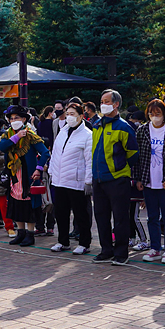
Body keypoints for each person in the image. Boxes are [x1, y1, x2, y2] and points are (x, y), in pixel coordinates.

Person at [90, 90, 139, 264]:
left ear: (116, 104)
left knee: (120, 218)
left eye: (107, 101)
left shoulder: (124, 127)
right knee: (101, 217)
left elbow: (133, 154)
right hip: (99, 179)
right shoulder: (97, 124)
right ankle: (106, 250)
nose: (103, 104)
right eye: (101, 101)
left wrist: (119, 168)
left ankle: (121, 253)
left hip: (118, 179)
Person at [133, 99, 165, 263]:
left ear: (164, 114)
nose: (154, 117)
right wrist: (138, 178)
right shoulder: (142, 131)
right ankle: (155, 248)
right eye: (151, 114)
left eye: (158, 113)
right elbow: (137, 157)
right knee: (152, 217)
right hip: (148, 181)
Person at [0, 106, 50, 247]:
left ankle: (30, 234)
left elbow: (45, 153)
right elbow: (2, 147)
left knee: (29, 205)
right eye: (12, 118)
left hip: (28, 175)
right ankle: (20, 233)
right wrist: (16, 137)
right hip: (14, 175)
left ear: (24, 119)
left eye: (17, 118)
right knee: (16, 204)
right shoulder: (7, 135)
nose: (14, 120)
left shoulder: (31, 135)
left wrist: (38, 169)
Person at [48, 103, 93, 254]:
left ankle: (84, 243)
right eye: (68, 114)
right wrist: (52, 173)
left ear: (81, 116)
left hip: (77, 181)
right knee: (60, 213)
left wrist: (88, 181)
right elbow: (55, 153)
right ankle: (63, 241)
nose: (69, 117)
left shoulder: (87, 134)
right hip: (60, 180)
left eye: (73, 114)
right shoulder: (63, 131)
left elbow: (89, 160)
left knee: (81, 214)